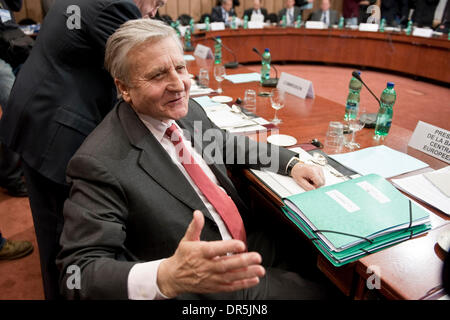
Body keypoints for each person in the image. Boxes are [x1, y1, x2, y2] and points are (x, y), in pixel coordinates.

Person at [56, 18, 342, 300]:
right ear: (124, 88)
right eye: (158, 75)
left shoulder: (185, 109)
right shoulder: (99, 162)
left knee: (330, 261)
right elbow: (77, 273)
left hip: (243, 237)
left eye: (180, 68)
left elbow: (225, 144)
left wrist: (291, 162)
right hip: (205, 279)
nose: (178, 85)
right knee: (325, 293)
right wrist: (166, 276)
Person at [0, 0, 168, 300]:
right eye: (157, 3)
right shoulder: (117, 6)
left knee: (53, 229)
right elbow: (141, 69)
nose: (155, 11)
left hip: (40, 113)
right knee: (64, 239)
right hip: (54, 132)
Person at [0, 0, 28, 197]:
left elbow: (16, 5)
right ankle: (11, 175)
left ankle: (21, 166)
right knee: (13, 107)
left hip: (13, 47)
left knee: (26, 105)